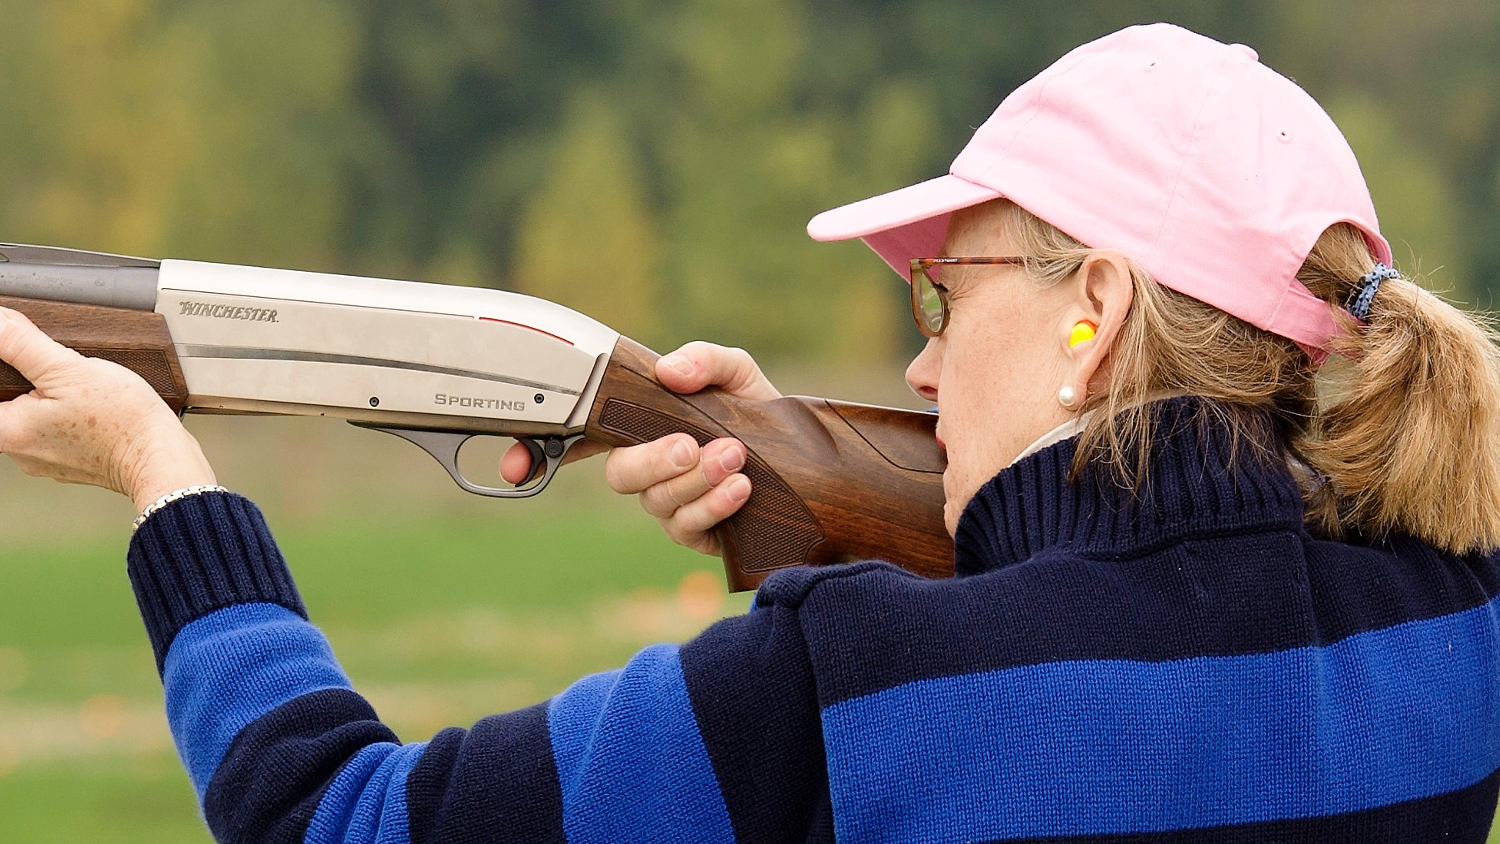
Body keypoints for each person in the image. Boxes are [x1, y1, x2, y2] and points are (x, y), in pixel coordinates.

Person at [3, 21, 1500, 843]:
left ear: (1092, 308)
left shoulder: (843, 685)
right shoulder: (1455, 620)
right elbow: (1157, 656)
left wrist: (165, 481)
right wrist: (827, 505)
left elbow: (332, 826)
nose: (920, 374)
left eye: (941, 294)